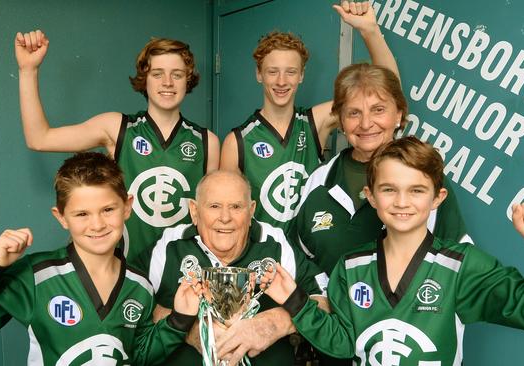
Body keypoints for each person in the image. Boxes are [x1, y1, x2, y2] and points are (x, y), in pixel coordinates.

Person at [262, 137, 524, 365]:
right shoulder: (351, 267)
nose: (402, 202)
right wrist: (295, 299)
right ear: (370, 196)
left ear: (437, 198)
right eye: (389, 190)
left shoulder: (462, 266)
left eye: (416, 190)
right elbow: (344, 343)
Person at [0, 152, 202, 365]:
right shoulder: (37, 277)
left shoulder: (139, 285)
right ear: (61, 217)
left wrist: (179, 320)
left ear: (127, 207)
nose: (98, 224)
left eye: (108, 210)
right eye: (82, 214)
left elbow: (139, 356)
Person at [15, 30, 220, 269]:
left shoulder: (207, 141)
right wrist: (28, 70)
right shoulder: (117, 127)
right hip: (121, 271)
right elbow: (40, 138)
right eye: (157, 74)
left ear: (188, 79)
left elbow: (214, 217)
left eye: (177, 74)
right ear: (145, 78)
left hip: (182, 274)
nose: (167, 82)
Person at [220, 1, 398, 233]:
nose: (282, 81)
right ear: (259, 74)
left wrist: (369, 31)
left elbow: (389, 92)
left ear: (301, 75)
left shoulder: (315, 121)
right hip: (264, 256)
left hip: (310, 256)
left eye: (291, 72)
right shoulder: (238, 141)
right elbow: (226, 214)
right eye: (273, 71)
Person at [292, 63, 467, 280]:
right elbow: (297, 260)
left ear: (398, 115)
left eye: (378, 110)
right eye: (354, 112)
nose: (366, 124)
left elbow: (457, 264)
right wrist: (317, 296)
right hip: (330, 312)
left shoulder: (423, 176)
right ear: (340, 121)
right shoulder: (320, 180)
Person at [140, 170, 329, 365]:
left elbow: (325, 300)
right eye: (214, 206)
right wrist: (190, 328)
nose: (225, 217)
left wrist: (277, 322)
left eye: (236, 207)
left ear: (251, 210)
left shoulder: (276, 245)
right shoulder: (169, 245)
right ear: (194, 211)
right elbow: (131, 302)